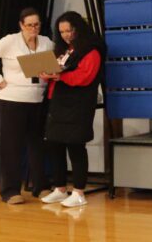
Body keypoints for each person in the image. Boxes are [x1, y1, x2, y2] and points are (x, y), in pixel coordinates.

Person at [0, 7, 54, 204]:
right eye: (29, 25)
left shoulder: (46, 42)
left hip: (37, 100)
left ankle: (41, 186)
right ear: (21, 25)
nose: (33, 28)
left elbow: (55, 63)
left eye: (36, 24)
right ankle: (10, 191)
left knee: (37, 144)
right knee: (11, 147)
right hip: (12, 100)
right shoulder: (10, 40)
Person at [39, 11, 105, 208]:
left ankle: (78, 192)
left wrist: (61, 77)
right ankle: (60, 188)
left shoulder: (92, 51)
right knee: (54, 144)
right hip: (58, 103)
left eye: (69, 30)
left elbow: (86, 77)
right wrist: (46, 74)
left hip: (78, 105)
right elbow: (57, 73)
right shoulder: (64, 50)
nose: (66, 34)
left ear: (78, 28)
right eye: (62, 31)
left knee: (76, 146)